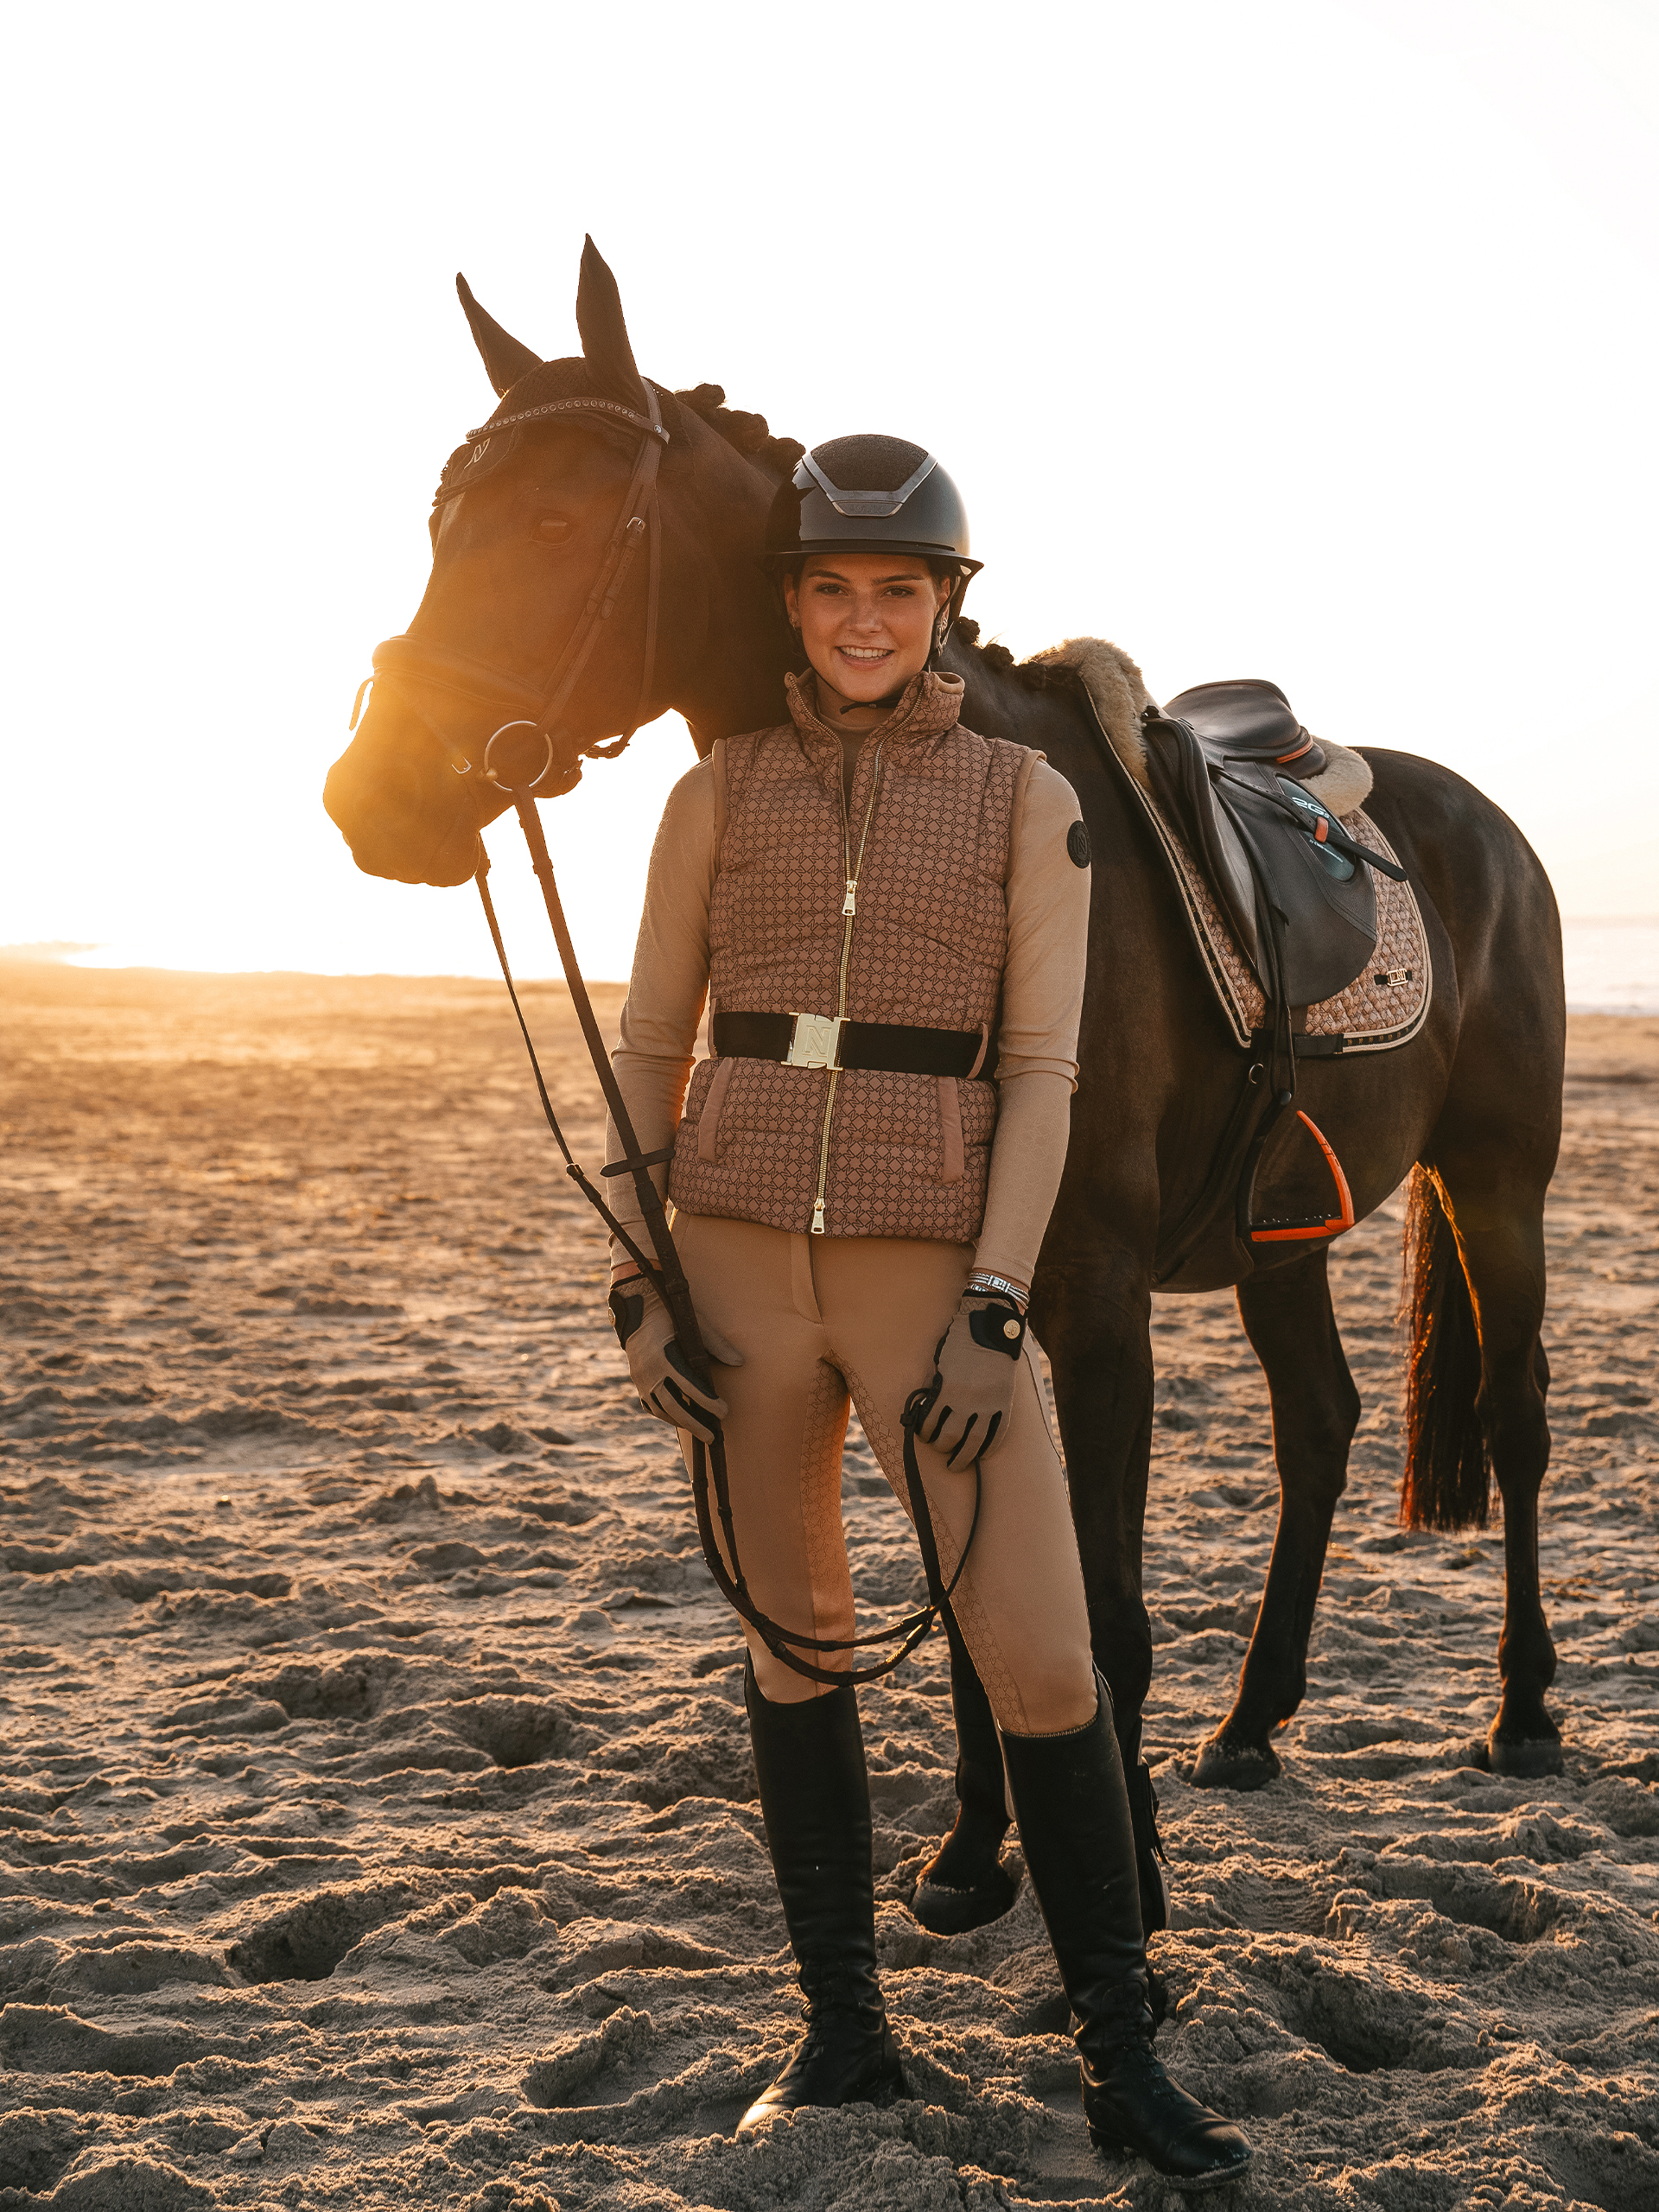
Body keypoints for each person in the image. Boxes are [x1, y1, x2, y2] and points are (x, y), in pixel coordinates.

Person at [602, 435, 1250, 2187]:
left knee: (1042, 1653)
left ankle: (1121, 2050)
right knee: (794, 1634)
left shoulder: (1027, 801)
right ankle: (843, 2031)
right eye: (832, 589)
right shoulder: (714, 793)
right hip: (735, 1266)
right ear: (793, 607)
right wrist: (640, 1275)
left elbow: (1039, 1070)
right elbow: (657, 1042)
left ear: (947, 603)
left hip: (929, 1277)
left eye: (898, 589)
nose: (864, 618)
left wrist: (995, 1297)